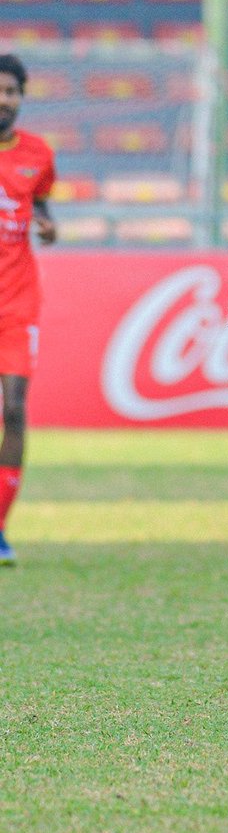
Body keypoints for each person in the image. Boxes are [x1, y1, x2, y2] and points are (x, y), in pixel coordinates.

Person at [0, 53, 57, 566]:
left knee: (14, 409)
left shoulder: (37, 153)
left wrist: (47, 224)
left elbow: (40, 202)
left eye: (12, 91)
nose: (4, 99)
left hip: (17, 303)